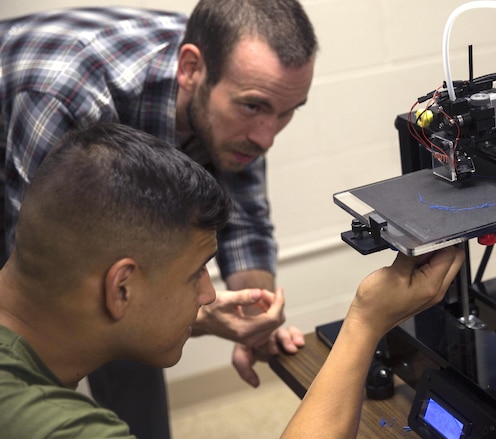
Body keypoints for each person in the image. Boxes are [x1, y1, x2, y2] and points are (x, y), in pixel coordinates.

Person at [0, 122, 465, 438]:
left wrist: (198, 320)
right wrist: (365, 322)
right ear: (121, 288)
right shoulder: (57, 426)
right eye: (195, 273)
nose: (207, 294)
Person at [0, 0, 316, 436]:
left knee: (141, 325)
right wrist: (196, 316)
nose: (267, 136)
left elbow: (242, 220)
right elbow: (52, 279)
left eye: (288, 112)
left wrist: (253, 318)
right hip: (18, 164)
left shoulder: (236, 98)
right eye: (254, 107)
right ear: (191, 69)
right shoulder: (68, 92)